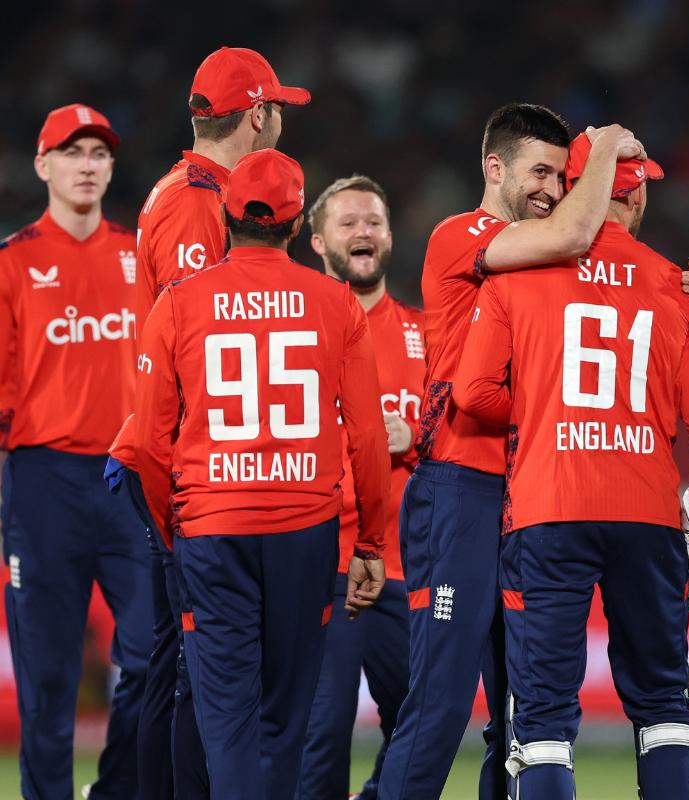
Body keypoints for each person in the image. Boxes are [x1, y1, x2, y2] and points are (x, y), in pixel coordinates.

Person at [377, 103, 689, 800]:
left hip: (535, 495)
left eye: (557, 175)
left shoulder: (549, 264)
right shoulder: (465, 236)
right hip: (464, 487)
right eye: (541, 172)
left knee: (520, 715)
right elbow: (575, 234)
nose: (549, 188)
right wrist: (608, 150)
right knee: (442, 701)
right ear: (493, 166)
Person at [130, 148, 389, 800]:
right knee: (283, 724)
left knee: (228, 725)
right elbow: (365, 439)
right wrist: (370, 544)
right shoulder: (337, 305)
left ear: (224, 214)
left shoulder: (178, 304)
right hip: (306, 534)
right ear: (299, 223)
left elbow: (147, 447)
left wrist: (173, 530)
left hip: (212, 532)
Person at [105, 45, 309, 800]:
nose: (282, 118)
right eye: (278, 106)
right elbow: (203, 340)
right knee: (190, 667)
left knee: (186, 660)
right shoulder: (199, 201)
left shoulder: (189, 192)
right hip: (192, 467)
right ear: (256, 115)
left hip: (196, 464)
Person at [0, 103, 153, 800]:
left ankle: (115, 789)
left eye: (98, 153)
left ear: (112, 167)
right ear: (43, 166)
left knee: (153, 654)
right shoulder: (13, 264)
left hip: (128, 479)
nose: (87, 164)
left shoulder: (139, 255)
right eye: (72, 152)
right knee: (49, 674)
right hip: (44, 479)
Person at [297, 175, 422, 800]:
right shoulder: (297, 335)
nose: (363, 231)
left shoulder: (428, 336)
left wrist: (418, 432)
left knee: (420, 723)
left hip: (408, 563)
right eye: (348, 223)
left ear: (390, 237)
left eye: (373, 220)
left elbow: (480, 426)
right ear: (318, 242)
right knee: (321, 729)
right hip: (326, 557)